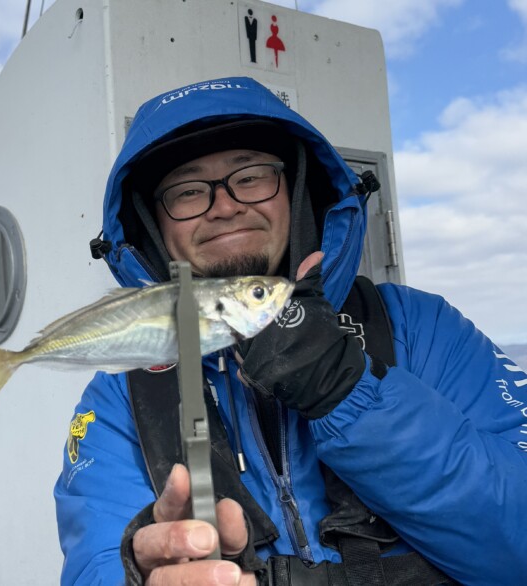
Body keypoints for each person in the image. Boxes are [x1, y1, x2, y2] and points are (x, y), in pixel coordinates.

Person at [54, 77, 527, 586]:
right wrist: (137, 573)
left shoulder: (422, 327)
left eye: (252, 176)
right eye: (188, 191)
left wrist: (349, 392)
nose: (225, 205)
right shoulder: (119, 401)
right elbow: (94, 563)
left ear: (298, 192)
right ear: (153, 228)